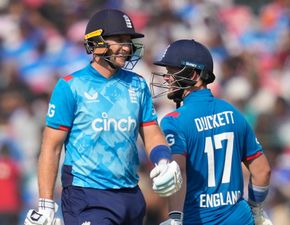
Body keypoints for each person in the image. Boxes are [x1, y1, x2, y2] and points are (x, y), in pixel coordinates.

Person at [24, 9, 182, 225]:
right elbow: (51, 147)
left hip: (131, 195)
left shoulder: (137, 84)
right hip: (86, 195)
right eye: (118, 40)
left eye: (128, 41)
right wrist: (45, 204)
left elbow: (151, 131)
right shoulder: (71, 86)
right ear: (95, 42)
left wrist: (163, 159)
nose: (126, 47)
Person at [150, 39, 272, 225]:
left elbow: (177, 172)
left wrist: (175, 218)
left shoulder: (174, 121)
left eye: (172, 72)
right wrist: (256, 209)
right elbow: (262, 171)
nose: (167, 78)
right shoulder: (233, 113)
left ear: (194, 74)